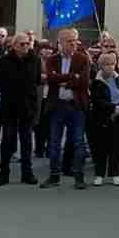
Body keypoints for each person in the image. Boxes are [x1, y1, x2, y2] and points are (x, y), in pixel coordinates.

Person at [40, 28, 92, 190]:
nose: (73, 44)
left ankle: (79, 176)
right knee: (54, 142)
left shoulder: (83, 59)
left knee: (78, 142)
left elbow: (83, 82)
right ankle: (54, 176)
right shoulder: (52, 60)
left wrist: (64, 81)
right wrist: (72, 77)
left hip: (76, 106)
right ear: (60, 42)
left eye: (75, 40)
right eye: (69, 41)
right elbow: (51, 78)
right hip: (57, 106)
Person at [0, 32, 41, 186]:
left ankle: (27, 172)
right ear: (14, 46)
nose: (25, 47)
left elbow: (37, 80)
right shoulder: (4, 61)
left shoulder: (35, 60)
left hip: (27, 107)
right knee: (7, 139)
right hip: (9, 106)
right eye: (22, 44)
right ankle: (4, 172)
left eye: (27, 43)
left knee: (26, 141)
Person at [88, 50, 119, 185]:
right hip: (102, 118)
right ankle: (99, 174)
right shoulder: (96, 82)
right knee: (101, 147)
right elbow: (96, 100)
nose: (110, 67)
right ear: (101, 66)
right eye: (107, 64)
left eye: (112, 64)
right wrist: (112, 107)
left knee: (116, 147)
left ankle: (115, 174)